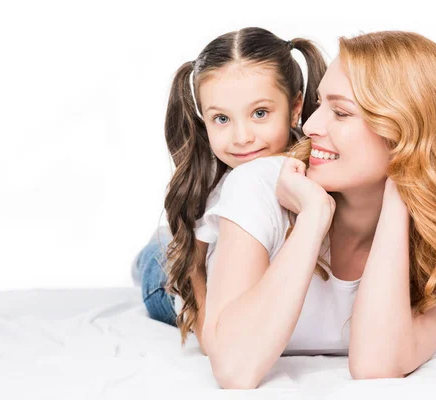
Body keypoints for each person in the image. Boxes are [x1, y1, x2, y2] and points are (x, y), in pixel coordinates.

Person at [200, 31, 436, 389]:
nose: (309, 126)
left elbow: (375, 365)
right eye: (320, 106)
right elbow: (233, 368)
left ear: (403, 135)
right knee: (168, 267)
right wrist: (313, 216)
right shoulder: (260, 184)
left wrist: (402, 192)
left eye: (340, 112)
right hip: (187, 273)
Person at [131, 27, 327, 352]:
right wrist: (210, 332)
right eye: (221, 119)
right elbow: (199, 289)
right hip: (177, 281)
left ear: (295, 108)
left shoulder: (321, 162)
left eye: (260, 113)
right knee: (156, 259)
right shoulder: (217, 185)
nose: (241, 137)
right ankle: (153, 252)